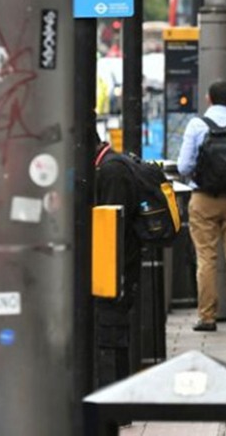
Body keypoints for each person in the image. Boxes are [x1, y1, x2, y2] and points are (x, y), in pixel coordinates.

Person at [177, 80, 226, 332]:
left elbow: (183, 166)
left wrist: (196, 179)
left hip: (203, 199)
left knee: (206, 259)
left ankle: (207, 317)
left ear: (208, 99)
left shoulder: (196, 125)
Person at [92, 139, 142, 388]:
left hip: (115, 267)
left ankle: (116, 404)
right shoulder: (111, 166)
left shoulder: (112, 171)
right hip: (113, 264)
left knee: (111, 333)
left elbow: (111, 227)